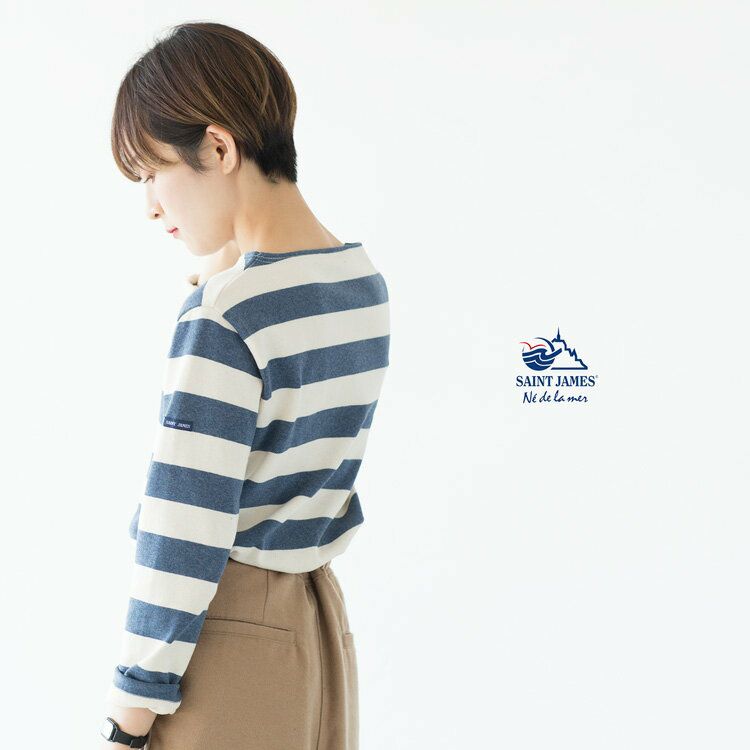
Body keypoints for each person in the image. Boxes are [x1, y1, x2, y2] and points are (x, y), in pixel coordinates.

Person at [99, 21, 390, 750]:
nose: (150, 206)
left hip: (222, 645)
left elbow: (184, 527)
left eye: (153, 172)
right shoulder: (359, 284)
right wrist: (224, 258)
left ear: (219, 149)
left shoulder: (225, 318)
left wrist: (129, 717)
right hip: (316, 627)